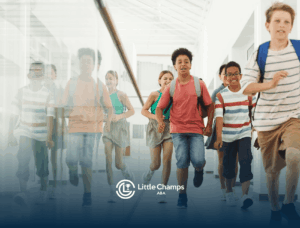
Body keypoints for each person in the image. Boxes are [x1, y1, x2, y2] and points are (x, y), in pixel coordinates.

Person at [241, 2, 300, 221]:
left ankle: (289, 203)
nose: (282, 25)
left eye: (286, 22)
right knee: (272, 172)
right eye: (277, 21)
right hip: (266, 122)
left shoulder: (298, 49)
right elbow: (245, 87)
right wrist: (269, 84)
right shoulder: (260, 53)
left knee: (295, 156)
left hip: (294, 117)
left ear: (291, 27)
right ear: (268, 25)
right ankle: (275, 208)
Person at [156, 48, 214, 208]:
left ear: (190, 65)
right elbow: (159, 108)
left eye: (186, 62)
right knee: (181, 161)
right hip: (177, 130)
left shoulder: (198, 84)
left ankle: (199, 169)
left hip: (196, 129)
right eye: (179, 62)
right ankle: (182, 195)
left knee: (199, 159)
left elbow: (210, 106)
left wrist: (209, 125)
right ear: (175, 66)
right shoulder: (171, 87)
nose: (183, 64)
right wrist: (160, 121)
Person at [62, 48, 113, 207]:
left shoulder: (99, 85)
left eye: (89, 62)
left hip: (93, 129)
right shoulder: (72, 83)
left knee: (86, 161)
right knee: (70, 158)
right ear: (79, 63)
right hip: (75, 126)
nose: (86, 64)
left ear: (94, 65)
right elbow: (63, 105)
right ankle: (72, 170)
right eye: (83, 61)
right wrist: (63, 122)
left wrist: (108, 123)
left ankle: (87, 194)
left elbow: (109, 108)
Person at [9, 61, 55, 205]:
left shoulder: (48, 94)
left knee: (42, 165)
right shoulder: (21, 92)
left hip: (41, 135)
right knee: (22, 161)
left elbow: (50, 116)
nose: (36, 74)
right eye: (33, 71)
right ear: (29, 75)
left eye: (39, 71)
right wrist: (10, 133)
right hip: (25, 132)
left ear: (42, 76)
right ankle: (23, 192)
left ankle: (43, 191)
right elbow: (14, 113)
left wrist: (49, 137)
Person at [214, 61, 255, 209]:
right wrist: (219, 137)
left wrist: (257, 129)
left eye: (235, 74)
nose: (232, 77)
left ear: (240, 75)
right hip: (227, 135)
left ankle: (245, 195)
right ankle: (229, 192)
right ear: (225, 77)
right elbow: (219, 118)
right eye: (229, 74)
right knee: (229, 166)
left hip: (244, 133)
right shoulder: (220, 96)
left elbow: (255, 111)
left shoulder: (248, 92)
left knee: (245, 161)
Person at [205, 64, 239, 201]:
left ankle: (231, 189)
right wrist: (208, 127)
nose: (228, 76)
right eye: (225, 74)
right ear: (221, 76)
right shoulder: (216, 93)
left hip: (237, 130)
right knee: (222, 161)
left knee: (235, 161)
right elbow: (211, 113)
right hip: (221, 130)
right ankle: (223, 188)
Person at [141, 70, 174, 203]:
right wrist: (156, 117)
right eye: (165, 78)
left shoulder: (175, 95)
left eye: (171, 79)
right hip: (154, 127)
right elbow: (144, 110)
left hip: (170, 128)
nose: (168, 81)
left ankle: (162, 190)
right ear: (159, 80)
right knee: (156, 164)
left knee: (167, 160)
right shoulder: (154, 94)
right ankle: (149, 172)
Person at [103, 70, 135, 203]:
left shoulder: (121, 95)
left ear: (116, 80)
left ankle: (126, 171)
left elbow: (132, 111)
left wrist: (119, 116)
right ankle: (111, 190)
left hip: (120, 128)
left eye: (111, 78)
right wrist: (107, 119)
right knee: (108, 160)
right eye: (107, 78)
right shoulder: (103, 96)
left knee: (118, 163)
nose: (108, 81)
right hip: (108, 130)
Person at [44, 64, 65, 199]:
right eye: (46, 73)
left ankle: (55, 186)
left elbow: (61, 109)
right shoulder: (39, 90)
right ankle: (44, 187)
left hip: (56, 125)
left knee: (55, 159)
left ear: (55, 75)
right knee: (42, 158)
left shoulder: (59, 90)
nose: (48, 75)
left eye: (50, 73)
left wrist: (63, 127)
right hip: (42, 125)